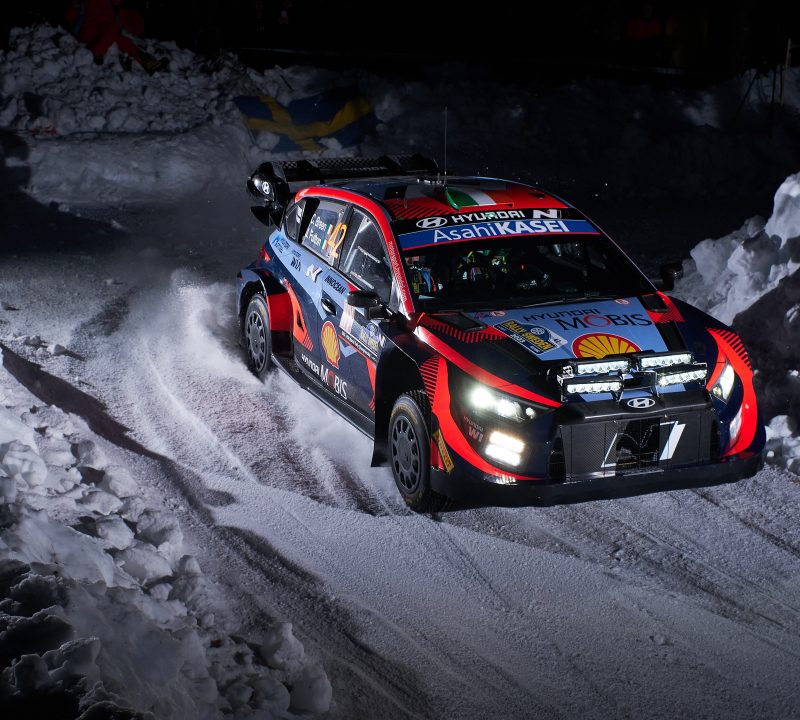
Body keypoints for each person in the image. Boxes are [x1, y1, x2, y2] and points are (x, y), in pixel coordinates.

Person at [65, 0, 163, 72]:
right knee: (114, 30)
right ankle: (96, 52)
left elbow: (118, 3)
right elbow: (69, 17)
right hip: (89, 30)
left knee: (126, 42)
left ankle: (151, 64)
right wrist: (74, 7)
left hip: (107, 30)